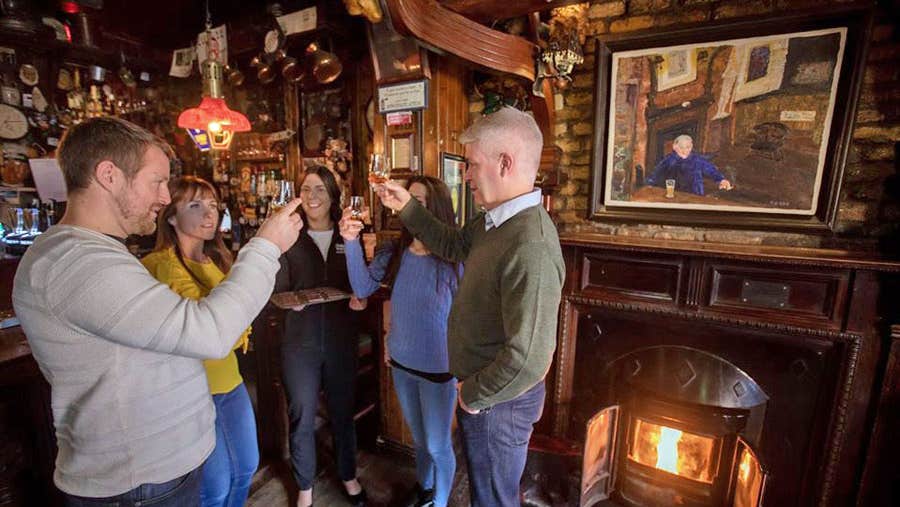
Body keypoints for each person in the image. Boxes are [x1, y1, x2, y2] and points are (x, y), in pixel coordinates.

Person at [11, 116, 302, 506]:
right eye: (157, 181)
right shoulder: (77, 262)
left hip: (155, 474)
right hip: (139, 485)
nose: (165, 197)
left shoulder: (96, 253)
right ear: (109, 175)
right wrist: (266, 246)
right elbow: (209, 333)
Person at [375, 107, 565, 507]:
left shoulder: (531, 245)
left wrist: (472, 396)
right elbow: (452, 245)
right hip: (486, 394)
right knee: (484, 494)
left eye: (472, 164)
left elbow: (530, 358)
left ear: (505, 162)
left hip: (499, 401)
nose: (466, 176)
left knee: (492, 500)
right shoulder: (494, 221)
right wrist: (407, 206)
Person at [339, 176, 461, 507]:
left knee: (437, 445)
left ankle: (440, 502)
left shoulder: (454, 261)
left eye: (419, 202)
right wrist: (350, 241)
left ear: (436, 209)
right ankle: (424, 489)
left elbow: (471, 319)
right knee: (420, 441)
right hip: (402, 364)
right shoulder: (394, 252)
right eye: (409, 200)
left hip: (439, 369)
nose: (411, 208)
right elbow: (363, 288)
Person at [141, 176, 258, 507]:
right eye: (196, 205)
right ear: (171, 216)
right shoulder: (157, 267)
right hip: (191, 392)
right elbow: (215, 331)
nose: (210, 214)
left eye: (213, 205)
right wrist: (235, 326)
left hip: (231, 383)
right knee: (214, 488)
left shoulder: (219, 260)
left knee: (246, 468)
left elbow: (236, 325)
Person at [276, 166, 366, 507]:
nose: (312, 196)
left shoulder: (350, 235)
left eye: (320, 189)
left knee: (343, 410)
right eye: (306, 189)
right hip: (300, 340)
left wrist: (363, 296)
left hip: (342, 337)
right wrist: (285, 300)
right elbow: (275, 285)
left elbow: (363, 281)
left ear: (332, 196)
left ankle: (348, 474)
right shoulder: (289, 237)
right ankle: (304, 486)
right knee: (301, 411)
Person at [645, 134, 733, 196]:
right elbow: (657, 173)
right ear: (675, 147)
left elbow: (710, 169)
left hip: (696, 194)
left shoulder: (696, 159)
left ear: (691, 147)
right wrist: (649, 184)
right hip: (676, 194)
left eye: (687, 147)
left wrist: (721, 179)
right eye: (681, 147)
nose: (684, 150)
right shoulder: (669, 159)